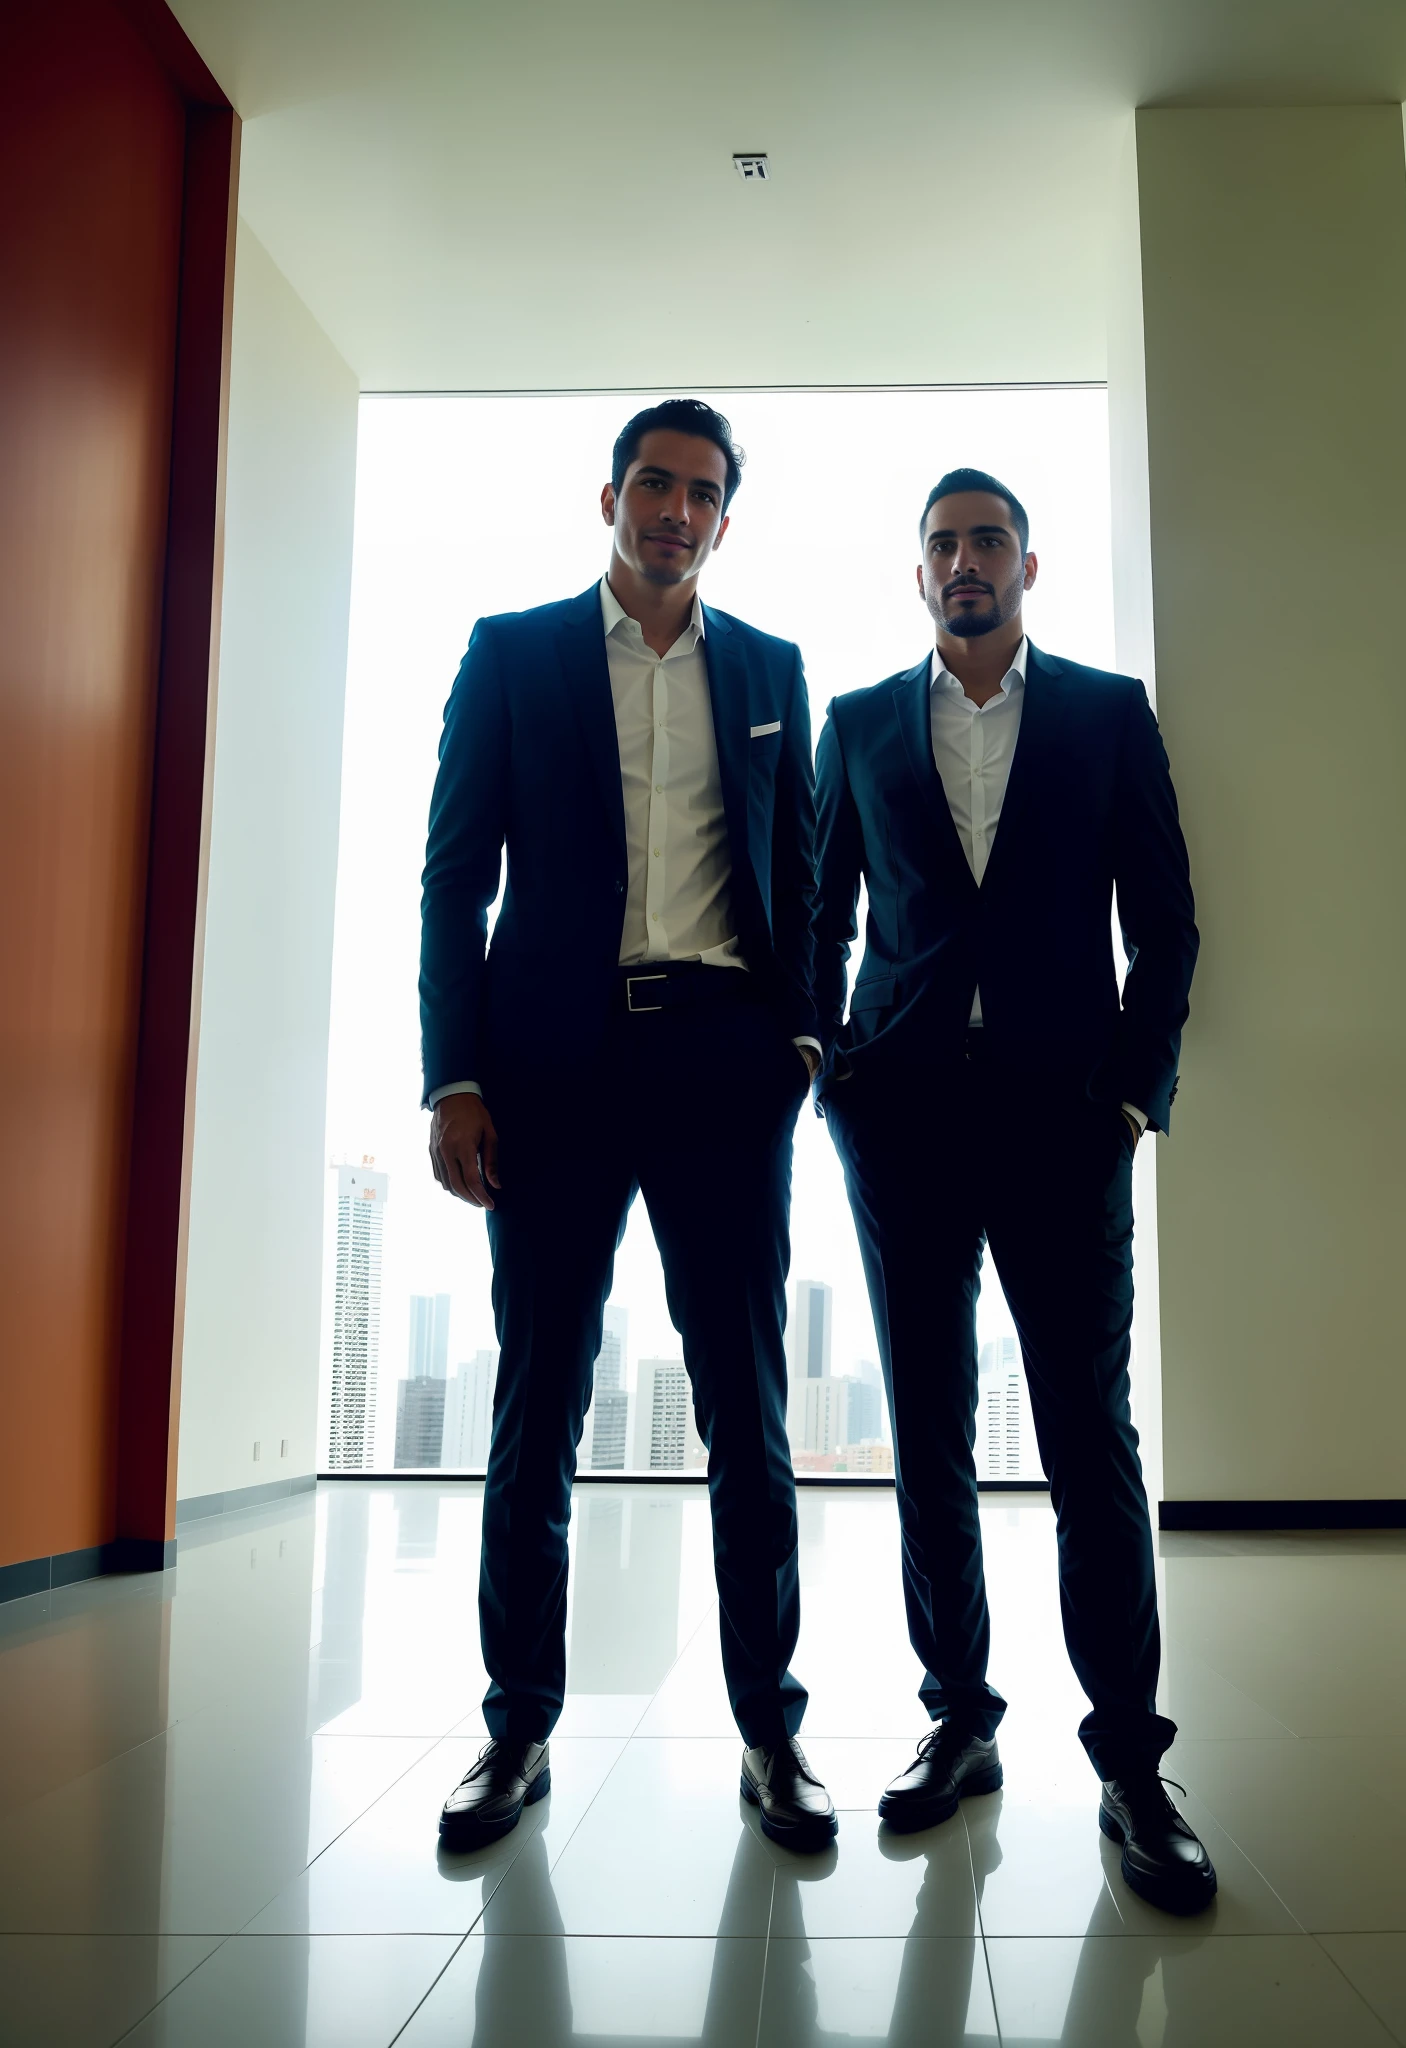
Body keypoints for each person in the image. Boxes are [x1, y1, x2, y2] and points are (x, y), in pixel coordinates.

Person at [420, 399, 836, 1854]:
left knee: (750, 1410)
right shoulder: (513, 653)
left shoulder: (774, 671)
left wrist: (800, 1039)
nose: (674, 509)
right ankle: (515, 1726)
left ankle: (772, 1733)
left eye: (702, 493)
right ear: (610, 495)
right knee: (539, 1394)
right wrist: (451, 1075)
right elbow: (452, 880)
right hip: (549, 1068)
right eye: (654, 483)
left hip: (724, 1060)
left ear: (728, 519)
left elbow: (808, 878)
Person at [809, 467, 1213, 1913]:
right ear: (919, 576)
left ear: (1027, 567)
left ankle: (1129, 1763)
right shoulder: (857, 726)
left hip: (1061, 1121)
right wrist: (829, 1068)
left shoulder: (1106, 714)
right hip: (903, 1115)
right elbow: (820, 913)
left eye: (987, 541)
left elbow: (1165, 925)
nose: (964, 562)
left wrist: (1128, 1096)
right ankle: (959, 1716)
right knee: (925, 1419)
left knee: (1085, 1430)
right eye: (941, 545)